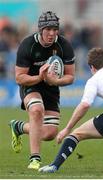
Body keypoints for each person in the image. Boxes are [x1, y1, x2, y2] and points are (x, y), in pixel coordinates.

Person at [9, 11, 75, 170]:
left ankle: (18, 127)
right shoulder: (27, 45)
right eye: (48, 30)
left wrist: (55, 81)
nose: (51, 33)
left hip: (51, 88)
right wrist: (39, 77)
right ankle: (34, 159)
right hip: (31, 84)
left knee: (49, 133)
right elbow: (19, 77)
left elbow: (70, 76)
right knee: (37, 110)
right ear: (40, 30)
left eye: (55, 29)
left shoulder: (64, 45)